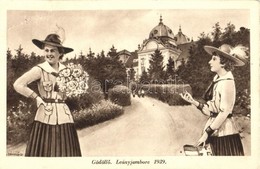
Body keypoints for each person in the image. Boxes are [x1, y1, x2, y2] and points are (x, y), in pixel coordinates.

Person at [13, 33, 82, 157]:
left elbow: (69, 92)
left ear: (60, 53)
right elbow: (18, 84)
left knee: (66, 152)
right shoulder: (39, 69)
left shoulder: (67, 71)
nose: (49, 53)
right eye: (46, 50)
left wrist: (74, 89)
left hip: (64, 116)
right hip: (45, 116)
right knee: (43, 151)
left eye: (53, 50)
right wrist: (36, 97)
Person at [180, 44, 247, 156]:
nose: (210, 62)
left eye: (214, 59)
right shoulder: (218, 81)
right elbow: (211, 111)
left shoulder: (227, 82)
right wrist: (193, 101)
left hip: (224, 133)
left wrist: (207, 133)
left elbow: (224, 112)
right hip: (214, 129)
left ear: (224, 63)